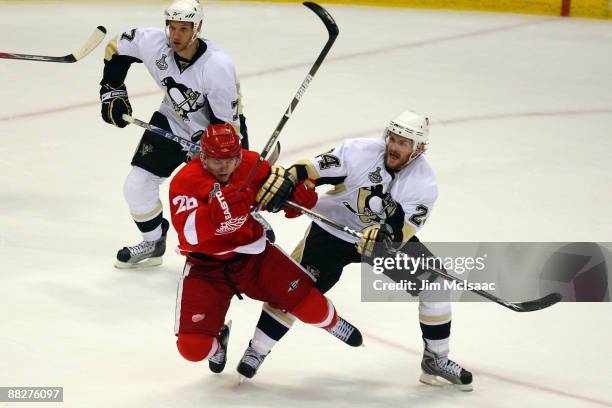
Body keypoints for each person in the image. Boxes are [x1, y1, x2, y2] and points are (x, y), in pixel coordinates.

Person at [238, 110, 473, 391]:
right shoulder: (359, 151)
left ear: (418, 149)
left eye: (403, 143)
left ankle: (436, 359)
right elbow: (309, 169)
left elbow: (403, 232)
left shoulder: (424, 183)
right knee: (291, 288)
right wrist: (290, 180)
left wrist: (385, 235)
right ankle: (257, 350)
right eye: (393, 138)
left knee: (436, 284)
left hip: (380, 243)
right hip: (330, 231)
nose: (394, 146)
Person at [169, 123, 363, 375]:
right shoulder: (186, 181)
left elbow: (278, 196)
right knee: (192, 349)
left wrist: (297, 200)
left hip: (255, 257)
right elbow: (188, 236)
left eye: (231, 160)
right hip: (207, 267)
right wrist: (214, 214)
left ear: (239, 155)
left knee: (310, 305)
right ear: (203, 157)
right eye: (217, 161)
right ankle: (219, 346)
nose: (225, 167)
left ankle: (333, 323)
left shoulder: (252, 164)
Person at [99, 0, 249, 268]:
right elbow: (116, 48)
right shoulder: (153, 43)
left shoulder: (217, 66)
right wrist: (112, 90)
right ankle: (154, 242)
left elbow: (227, 127)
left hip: (218, 136)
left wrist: (207, 150)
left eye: (183, 28)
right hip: (172, 121)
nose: (176, 35)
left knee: (227, 198)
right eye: (172, 27)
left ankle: (247, 233)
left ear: (198, 28)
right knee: (136, 186)